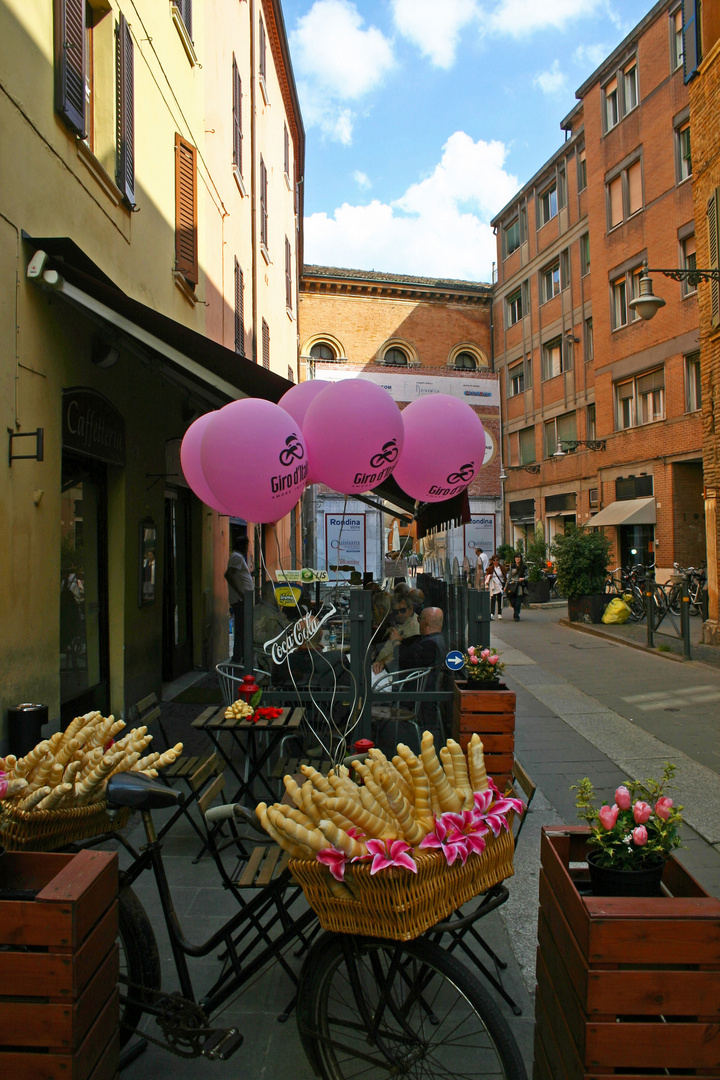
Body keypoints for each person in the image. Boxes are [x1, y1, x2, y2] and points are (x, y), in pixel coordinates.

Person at [372, 596, 420, 674]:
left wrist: (384, 662)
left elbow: (404, 653)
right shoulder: (395, 621)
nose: (399, 615)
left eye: (403, 610)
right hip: (379, 665)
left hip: (391, 671)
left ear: (411, 608)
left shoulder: (414, 627)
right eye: (396, 612)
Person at [225, 535, 253, 663]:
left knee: (242, 628)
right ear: (242, 545)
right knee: (242, 628)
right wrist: (241, 593)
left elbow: (238, 575)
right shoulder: (236, 557)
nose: (248, 548)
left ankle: (239, 655)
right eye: (247, 545)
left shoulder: (238, 557)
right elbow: (228, 574)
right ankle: (238, 657)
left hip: (242, 599)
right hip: (240, 599)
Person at [253, 580, 289, 674]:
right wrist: (278, 637)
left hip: (282, 653)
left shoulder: (275, 610)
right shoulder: (259, 611)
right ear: (269, 593)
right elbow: (256, 636)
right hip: (271, 658)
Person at [505, 554, 527, 621]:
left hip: (519, 585)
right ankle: (515, 610)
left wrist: (523, 578)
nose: (517, 559)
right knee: (512, 600)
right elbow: (509, 577)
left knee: (518, 601)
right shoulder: (513, 566)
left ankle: (516, 615)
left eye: (519, 557)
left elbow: (528, 575)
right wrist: (506, 586)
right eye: (516, 557)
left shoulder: (524, 566)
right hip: (512, 585)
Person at [485, 555, 506, 620]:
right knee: (493, 598)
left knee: (499, 599)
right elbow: (487, 575)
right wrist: (489, 576)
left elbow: (505, 575)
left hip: (500, 585)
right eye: (494, 560)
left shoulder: (502, 568)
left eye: (497, 560)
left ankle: (499, 613)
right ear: (492, 561)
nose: (496, 561)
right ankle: (492, 613)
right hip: (493, 585)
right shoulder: (491, 568)